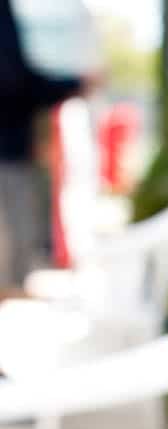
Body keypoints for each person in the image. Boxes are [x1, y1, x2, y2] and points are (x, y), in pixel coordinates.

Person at [0, 0, 97, 288]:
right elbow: (13, 81)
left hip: (13, 145)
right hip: (8, 148)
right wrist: (71, 85)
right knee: (15, 237)